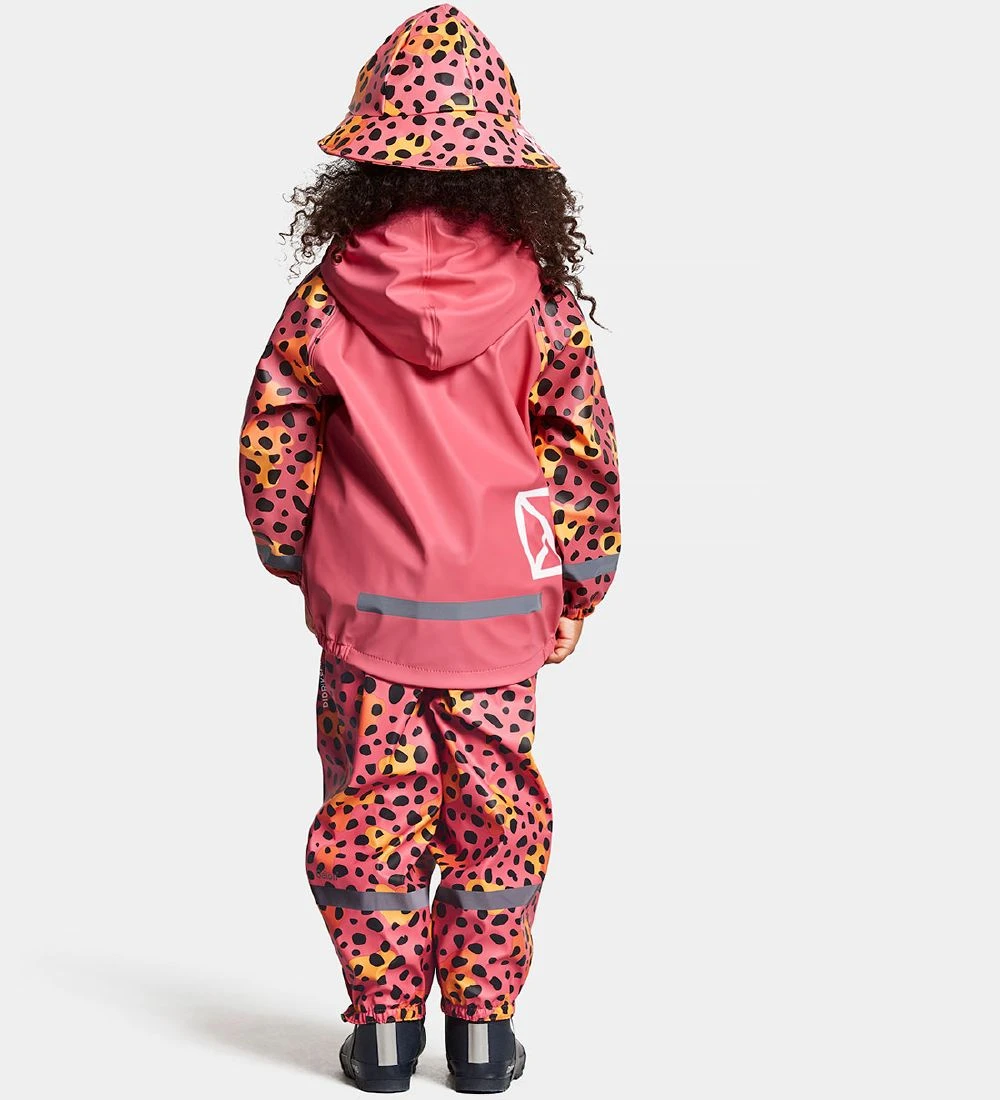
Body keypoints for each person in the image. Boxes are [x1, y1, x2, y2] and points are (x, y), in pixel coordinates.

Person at [239, 5, 621, 1092]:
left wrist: (297, 553)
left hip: (368, 615)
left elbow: (274, 437)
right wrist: (580, 582)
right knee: (499, 818)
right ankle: (484, 1035)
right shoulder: (541, 304)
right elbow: (581, 447)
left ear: (366, 167)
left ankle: (383, 1036)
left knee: (372, 817)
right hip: (501, 611)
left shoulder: (326, 302)